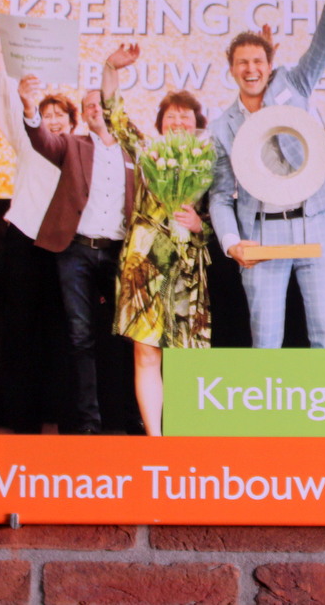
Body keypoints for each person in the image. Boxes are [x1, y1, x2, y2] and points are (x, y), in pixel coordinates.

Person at [209, 0, 325, 349]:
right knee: (266, 341)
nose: (250, 69)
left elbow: (324, 46)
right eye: (242, 63)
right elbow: (220, 196)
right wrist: (232, 242)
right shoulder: (222, 126)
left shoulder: (293, 84)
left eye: (258, 61)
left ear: (270, 65)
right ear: (231, 69)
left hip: (315, 220)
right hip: (260, 232)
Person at [98, 44, 211, 437]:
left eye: (186, 116)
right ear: (161, 123)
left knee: (186, 355)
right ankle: (155, 438)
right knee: (146, 353)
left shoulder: (210, 162)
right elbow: (113, 113)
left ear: (197, 123)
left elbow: (227, 216)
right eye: (171, 115)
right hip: (145, 262)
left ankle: (184, 433)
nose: (178, 121)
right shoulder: (146, 151)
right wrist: (111, 67)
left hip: (187, 266)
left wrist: (201, 226)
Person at [22, 80, 135, 435]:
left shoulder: (134, 150)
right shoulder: (73, 145)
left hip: (120, 252)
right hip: (75, 251)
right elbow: (42, 140)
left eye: (101, 103)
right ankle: (88, 423)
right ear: (83, 116)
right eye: (88, 106)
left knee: (125, 336)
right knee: (80, 336)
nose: (94, 109)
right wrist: (29, 108)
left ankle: (125, 418)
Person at [0, 26, 76, 432]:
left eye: (60, 116)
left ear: (73, 122)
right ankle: (20, 419)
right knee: (21, 330)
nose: (53, 121)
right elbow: (5, 105)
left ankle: (61, 418)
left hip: (67, 247)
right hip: (24, 239)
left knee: (63, 332)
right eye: (47, 114)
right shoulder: (28, 143)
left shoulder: (81, 153)